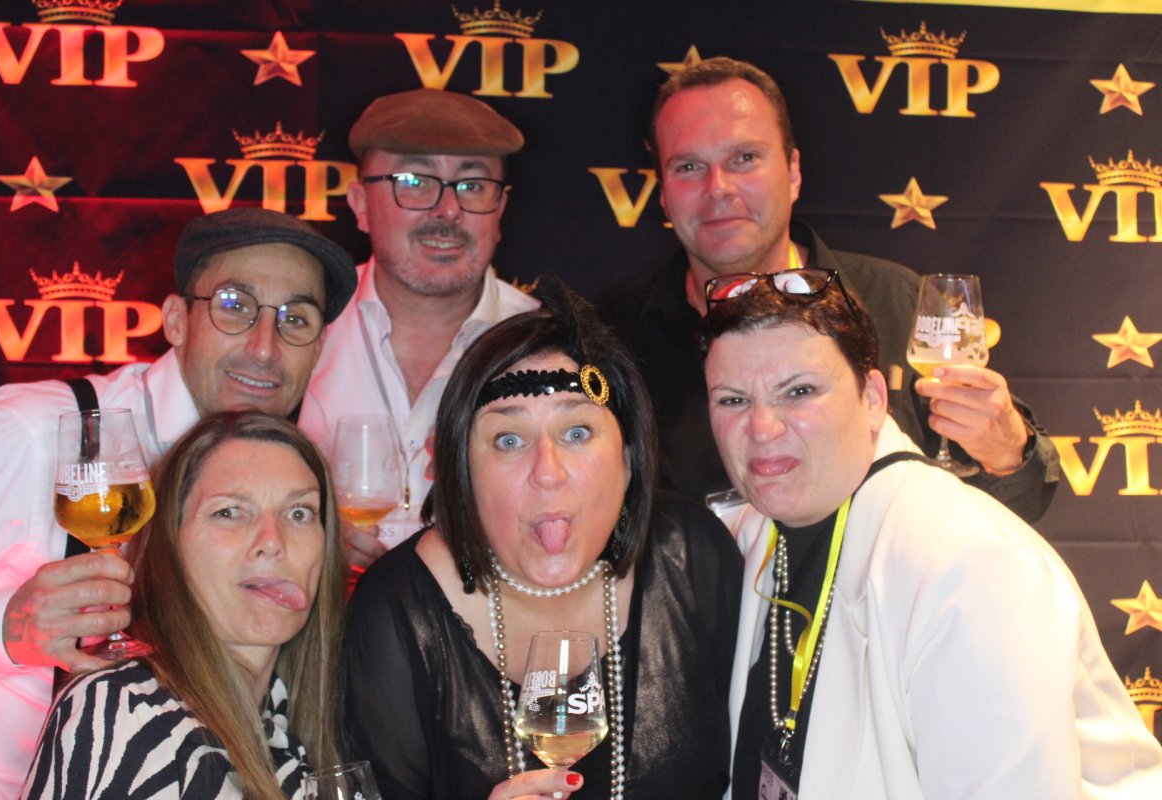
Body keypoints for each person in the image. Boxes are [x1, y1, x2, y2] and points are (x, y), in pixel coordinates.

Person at [699, 269, 1162, 798]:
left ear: (873, 398)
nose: (762, 428)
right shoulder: (753, 534)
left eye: (799, 391)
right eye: (732, 400)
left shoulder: (970, 566)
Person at [0, 207, 357, 799]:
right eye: (234, 306)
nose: (264, 348)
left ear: (319, 348)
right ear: (175, 319)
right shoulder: (34, 433)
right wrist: (5, 628)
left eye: (294, 319)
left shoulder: (286, 485)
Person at [599, 56, 1059, 523]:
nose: (718, 187)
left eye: (745, 158)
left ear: (793, 171)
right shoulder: (607, 338)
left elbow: (1019, 501)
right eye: (689, 166)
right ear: (663, 191)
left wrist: (1005, 450)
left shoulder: (896, 301)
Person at [343, 279, 742, 799]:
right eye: (509, 440)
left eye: (577, 433)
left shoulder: (693, 556)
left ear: (628, 458)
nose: (546, 472)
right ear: (463, 472)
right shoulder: (397, 609)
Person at [21, 411, 346, 799]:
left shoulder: (292, 716)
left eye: (299, 512)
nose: (273, 541)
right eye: (229, 512)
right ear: (169, 545)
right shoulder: (127, 711)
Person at [301, 88, 539, 569]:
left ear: (500, 210)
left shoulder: (546, 347)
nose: (447, 211)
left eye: (473, 185)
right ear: (360, 204)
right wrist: (303, 527)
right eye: (414, 181)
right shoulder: (298, 331)